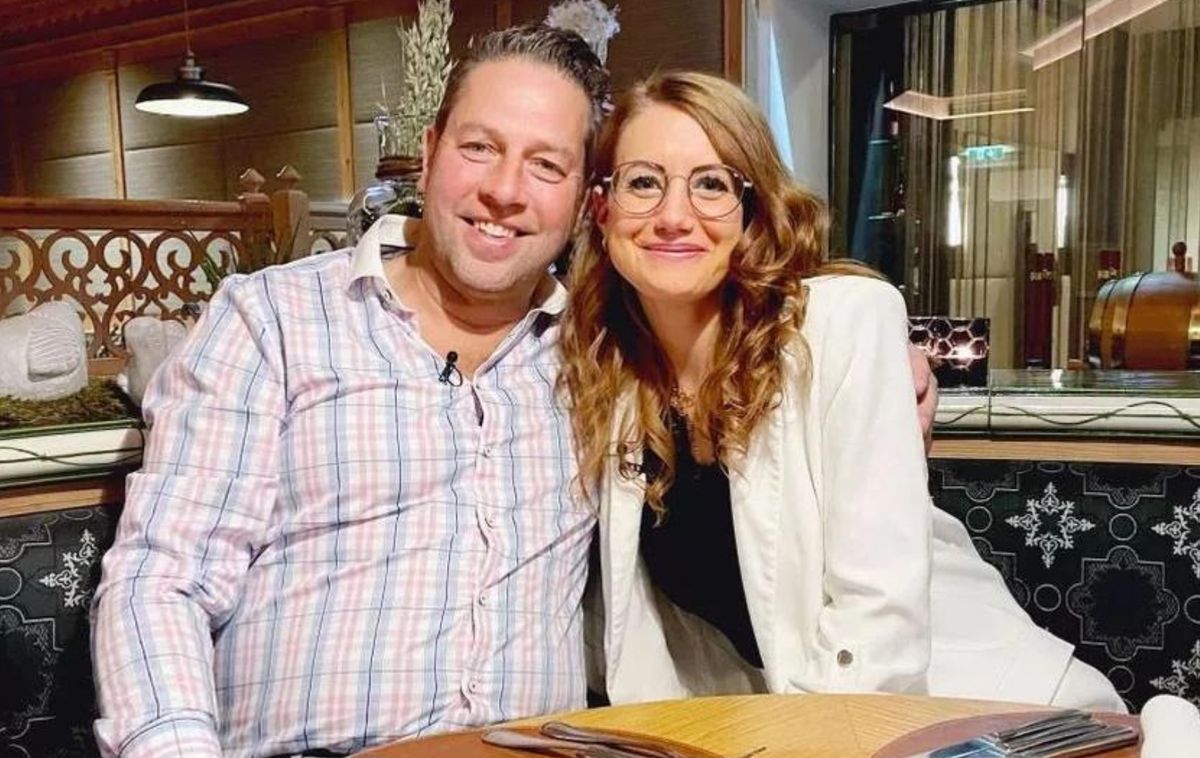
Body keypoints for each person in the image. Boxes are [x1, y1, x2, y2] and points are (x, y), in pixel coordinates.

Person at [89, 25, 938, 758]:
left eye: (546, 164)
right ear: (429, 152)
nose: (504, 190)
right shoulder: (273, 320)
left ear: (582, 202)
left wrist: (874, 356)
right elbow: (163, 580)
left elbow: (761, 331)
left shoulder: (596, 352)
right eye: (480, 148)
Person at [558, 70, 1125, 711]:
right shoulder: (606, 375)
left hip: (976, 712)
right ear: (602, 208)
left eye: (711, 184)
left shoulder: (842, 324)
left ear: (751, 211)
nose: (673, 216)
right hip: (781, 721)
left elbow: (878, 625)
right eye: (643, 182)